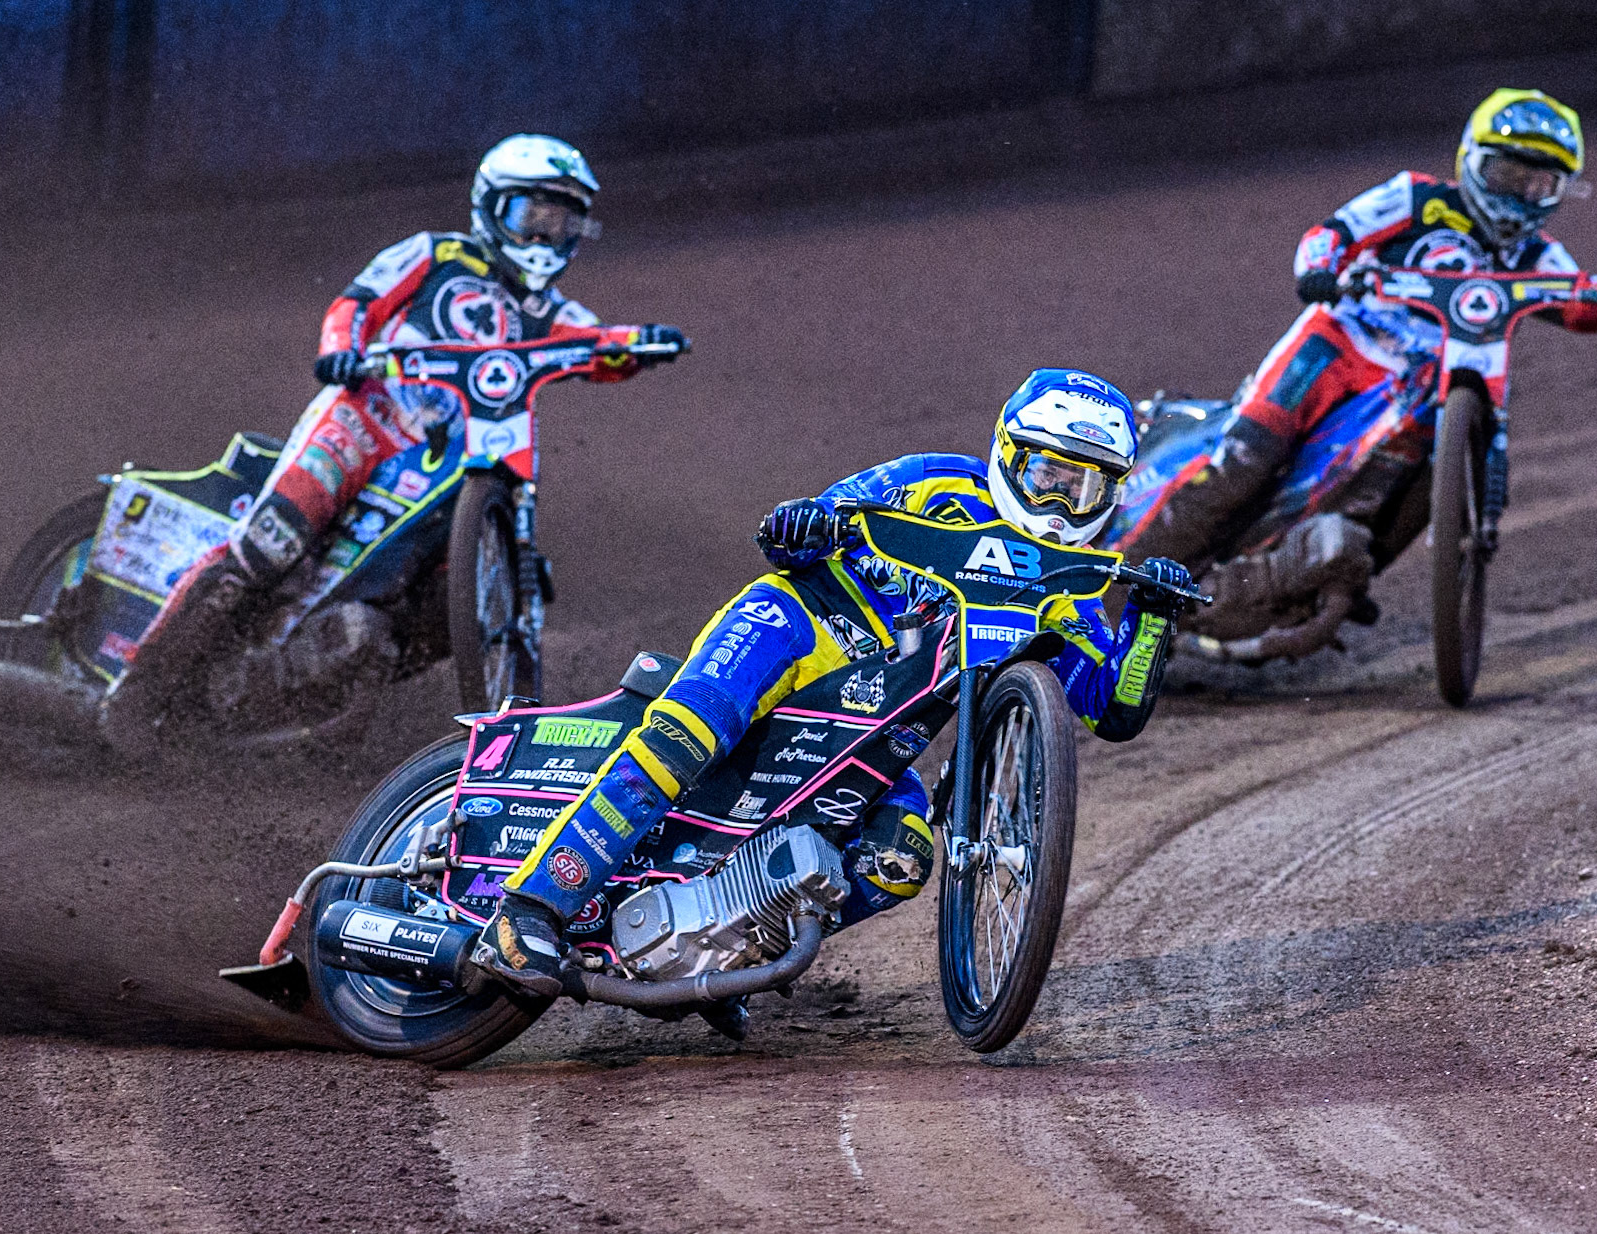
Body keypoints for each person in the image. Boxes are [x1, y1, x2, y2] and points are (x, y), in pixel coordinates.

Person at [469, 367, 1194, 998]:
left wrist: (1153, 617)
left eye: (1084, 486)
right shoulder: (937, 479)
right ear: (1009, 454)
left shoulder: (1072, 590)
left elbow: (1112, 707)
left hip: (878, 737)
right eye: (1049, 477)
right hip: (799, 631)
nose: (1062, 503)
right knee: (684, 737)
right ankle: (529, 910)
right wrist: (803, 523)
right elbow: (823, 515)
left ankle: (725, 952)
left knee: (901, 854)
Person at [102, 134, 685, 737]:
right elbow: (358, 302)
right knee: (269, 546)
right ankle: (132, 697)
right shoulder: (434, 257)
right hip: (364, 420)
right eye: (529, 215)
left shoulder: (551, 314)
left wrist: (643, 343)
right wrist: (341, 352)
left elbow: (598, 347)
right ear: (492, 205)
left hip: (453, 462)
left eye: (560, 222)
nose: (542, 237)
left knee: (431, 603)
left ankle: (323, 693)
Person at [1120, 88, 1597, 569]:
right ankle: (1119, 588)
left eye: (1537, 182)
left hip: (1430, 378)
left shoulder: (1536, 254)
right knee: (1244, 459)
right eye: (1507, 174)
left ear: (1560, 190)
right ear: (1472, 161)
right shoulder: (1417, 199)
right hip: (1340, 342)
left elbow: (1576, 302)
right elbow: (1333, 231)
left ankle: (1335, 571)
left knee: (1421, 477)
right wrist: (1319, 270)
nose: (1516, 194)